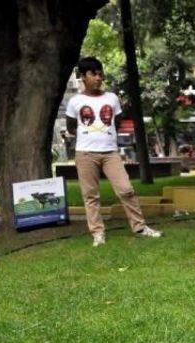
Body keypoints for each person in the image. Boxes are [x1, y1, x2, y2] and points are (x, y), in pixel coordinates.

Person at [66, 57, 162, 246]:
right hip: (85, 153)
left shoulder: (112, 98)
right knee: (91, 195)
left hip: (110, 153)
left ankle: (140, 227)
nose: (98, 78)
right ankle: (98, 233)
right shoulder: (75, 101)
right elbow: (71, 127)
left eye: (100, 74)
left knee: (126, 189)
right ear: (83, 77)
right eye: (93, 74)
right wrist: (89, 136)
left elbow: (116, 123)